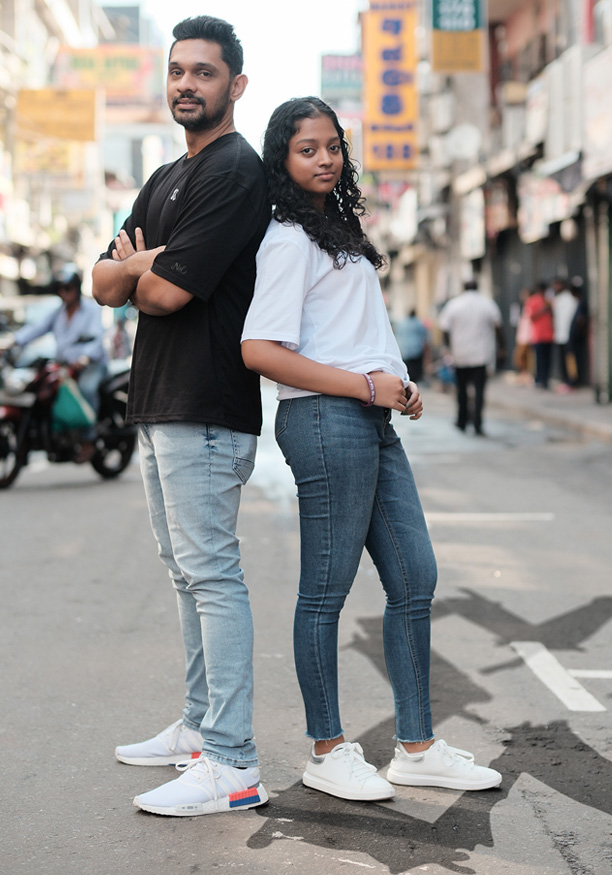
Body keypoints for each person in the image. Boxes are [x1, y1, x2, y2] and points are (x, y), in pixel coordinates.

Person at [241, 97, 501, 802]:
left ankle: (415, 746)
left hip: (368, 417)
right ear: (282, 160)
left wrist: (399, 385)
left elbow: (357, 334)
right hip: (325, 420)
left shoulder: (337, 231)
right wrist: (363, 385)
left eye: (332, 146)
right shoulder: (288, 240)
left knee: (415, 576)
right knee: (325, 592)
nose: (325, 158)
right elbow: (259, 349)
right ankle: (326, 748)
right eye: (307, 149)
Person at [91, 15, 270, 818]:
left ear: (235, 84)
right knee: (184, 572)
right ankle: (199, 729)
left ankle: (232, 762)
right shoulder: (166, 175)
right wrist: (135, 264)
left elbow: (160, 292)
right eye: (177, 71)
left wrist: (140, 265)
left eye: (203, 72)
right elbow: (104, 282)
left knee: (212, 574)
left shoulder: (235, 170)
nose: (185, 84)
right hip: (159, 401)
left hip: (206, 400)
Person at [12, 263, 107, 462]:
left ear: (77, 288)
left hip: (91, 365)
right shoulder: (58, 313)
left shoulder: (91, 310)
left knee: (86, 389)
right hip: (65, 367)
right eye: (60, 289)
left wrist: (84, 358)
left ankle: (88, 441)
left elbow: (97, 341)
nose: (64, 293)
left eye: (68, 288)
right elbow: (36, 329)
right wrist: (13, 341)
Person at [438, 279, 503, 436]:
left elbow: (444, 328)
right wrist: (502, 348)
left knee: (461, 390)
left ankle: (462, 421)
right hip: (481, 355)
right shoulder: (487, 304)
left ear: (463, 288)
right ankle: (478, 424)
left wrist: (448, 347)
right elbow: (498, 327)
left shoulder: (454, 304)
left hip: (460, 354)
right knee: (479, 391)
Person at [524, 282, 554, 389]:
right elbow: (531, 317)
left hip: (549, 335)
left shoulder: (548, 301)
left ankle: (545, 380)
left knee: (547, 360)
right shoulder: (532, 301)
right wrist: (542, 310)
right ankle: (539, 379)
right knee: (539, 360)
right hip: (538, 336)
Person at [551, 277, 579, 392]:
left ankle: (571, 381)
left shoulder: (570, 300)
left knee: (570, 359)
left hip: (569, 335)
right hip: (560, 335)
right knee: (562, 360)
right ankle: (565, 382)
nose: (555, 287)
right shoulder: (557, 300)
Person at [393, 308, 429, 383]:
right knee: (416, 369)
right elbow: (425, 336)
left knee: (407, 369)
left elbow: (397, 335)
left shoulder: (402, 323)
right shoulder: (418, 323)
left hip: (404, 350)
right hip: (416, 350)